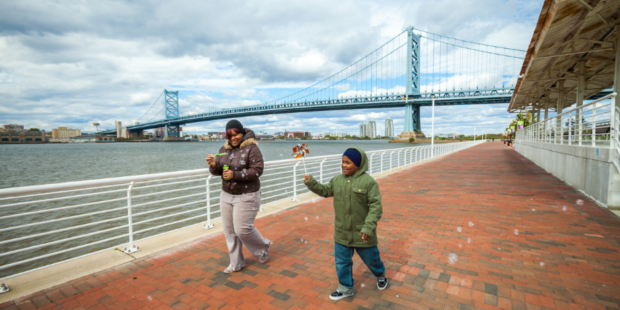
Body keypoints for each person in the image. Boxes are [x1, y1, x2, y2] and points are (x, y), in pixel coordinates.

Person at [303, 148, 387, 300]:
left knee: (372, 259)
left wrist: (368, 228)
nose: (344, 165)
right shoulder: (337, 180)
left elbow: (376, 207)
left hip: (362, 233)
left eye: (348, 162)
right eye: (342, 162)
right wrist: (311, 182)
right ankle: (346, 287)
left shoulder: (369, 182)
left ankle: (380, 274)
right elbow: (325, 191)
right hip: (341, 232)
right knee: (342, 262)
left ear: (358, 165)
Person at [206, 119, 271, 273]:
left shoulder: (252, 148)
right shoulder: (223, 149)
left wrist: (234, 174)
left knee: (242, 230)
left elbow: (257, 170)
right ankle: (236, 263)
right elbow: (219, 170)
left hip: (247, 195)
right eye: (230, 135)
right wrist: (214, 165)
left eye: (236, 134)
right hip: (226, 195)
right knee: (229, 231)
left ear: (242, 133)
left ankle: (263, 247)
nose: (233, 138)